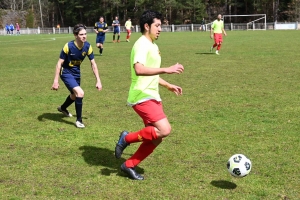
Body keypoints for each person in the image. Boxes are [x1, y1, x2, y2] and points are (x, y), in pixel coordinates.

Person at [114, 10, 184, 180]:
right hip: (141, 95)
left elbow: (151, 72)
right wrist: (166, 70)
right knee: (164, 129)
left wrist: (167, 85)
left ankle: (128, 165)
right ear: (147, 26)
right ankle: (127, 138)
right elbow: (139, 69)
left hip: (152, 95)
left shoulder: (153, 45)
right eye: (157, 25)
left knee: (155, 138)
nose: (160, 29)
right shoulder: (142, 44)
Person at [51, 24, 102, 128]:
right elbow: (59, 63)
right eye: (81, 34)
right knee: (80, 93)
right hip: (65, 72)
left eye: (85, 34)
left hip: (76, 73)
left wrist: (98, 80)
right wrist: (56, 81)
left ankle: (63, 108)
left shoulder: (87, 46)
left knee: (74, 95)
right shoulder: (68, 46)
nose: (84, 36)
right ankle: (79, 121)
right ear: (75, 35)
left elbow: (93, 64)